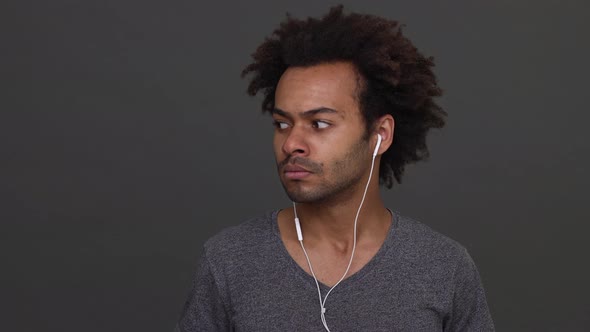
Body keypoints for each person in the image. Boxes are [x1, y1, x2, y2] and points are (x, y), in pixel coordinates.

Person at [176, 5, 494, 331]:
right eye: (282, 124)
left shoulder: (443, 267)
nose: (291, 144)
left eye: (319, 123)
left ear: (380, 135)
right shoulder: (229, 261)